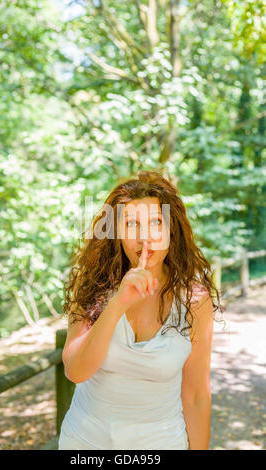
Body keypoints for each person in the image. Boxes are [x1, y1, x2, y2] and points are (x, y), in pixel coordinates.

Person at [58, 170, 223, 450]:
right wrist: (117, 304)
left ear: (171, 230)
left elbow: (196, 395)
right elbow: (76, 371)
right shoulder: (92, 288)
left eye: (156, 223)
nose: (145, 237)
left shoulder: (195, 300)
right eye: (131, 224)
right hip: (85, 443)